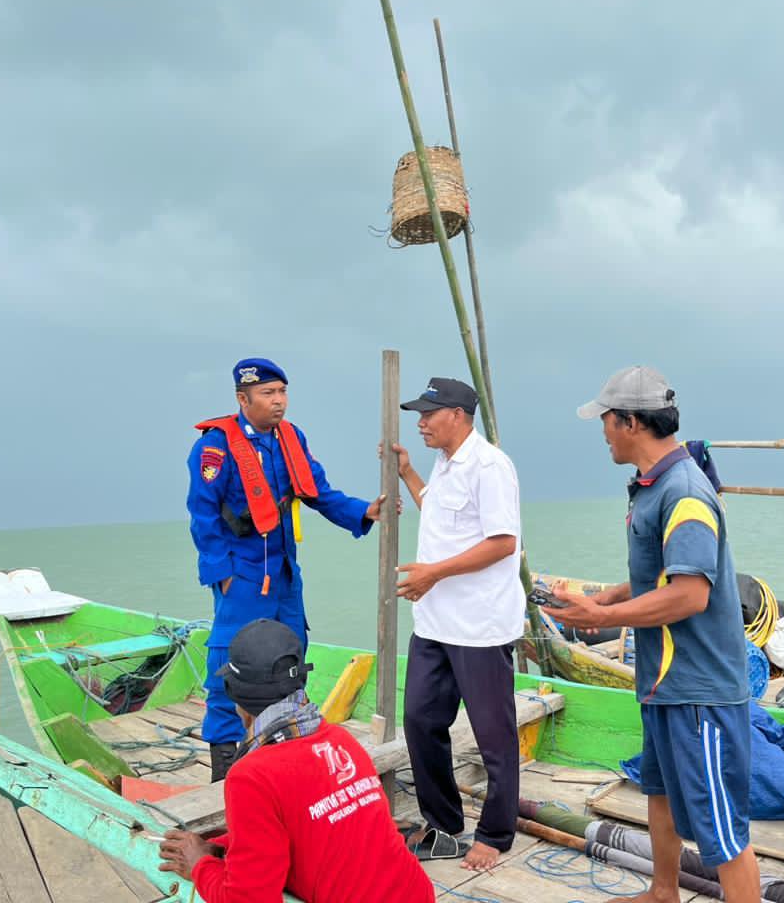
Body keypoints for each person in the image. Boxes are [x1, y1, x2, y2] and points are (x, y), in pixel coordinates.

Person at [545, 366, 761, 903]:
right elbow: (660, 571)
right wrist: (605, 599)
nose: (602, 432)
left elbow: (690, 594)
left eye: (606, 421)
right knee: (659, 792)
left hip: (699, 690)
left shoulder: (685, 491)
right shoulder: (653, 486)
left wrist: (598, 620)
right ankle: (663, 892)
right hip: (664, 682)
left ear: (631, 422)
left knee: (722, 832)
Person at [187, 357, 389, 781]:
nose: (278, 401)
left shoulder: (290, 437)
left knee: (292, 658)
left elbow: (319, 493)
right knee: (228, 666)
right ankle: (224, 775)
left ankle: (288, 759)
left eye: (282, 392)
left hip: (282, 573)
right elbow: (203, 517)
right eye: (267, 394)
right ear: (243, 399)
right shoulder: (215, 447)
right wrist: (222, 574)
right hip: (240, 573)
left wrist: (364, 512)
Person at [158, 618, 434, 903]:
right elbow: (305, 824)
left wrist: (199, 865)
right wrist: (218, 846)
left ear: (234, 694)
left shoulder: (250, 776)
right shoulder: (340, 740)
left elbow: (249, 899)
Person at [387, 376, 523, 870]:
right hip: (435, 622)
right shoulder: (444, 463)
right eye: (419, 414)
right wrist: (408, 475)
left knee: (494, 736)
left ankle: (496, 833)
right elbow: (441, 518)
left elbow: (502, 542)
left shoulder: (489, 466)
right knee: (421, 721)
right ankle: (444, 825)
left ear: (459, 416)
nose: (421, 422)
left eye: (429, 413)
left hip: (479, 627)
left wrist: (433, 573)